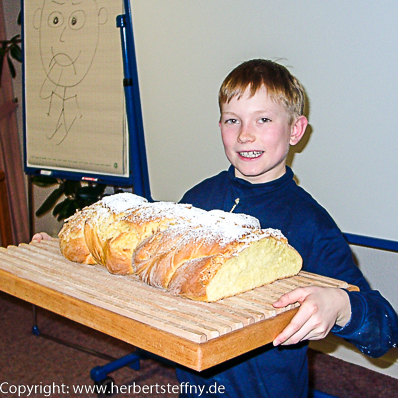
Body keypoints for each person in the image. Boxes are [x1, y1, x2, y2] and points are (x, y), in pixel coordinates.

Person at [173, 59, 398, 398]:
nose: (245, 134)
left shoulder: (308, 223)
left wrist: (340, 306)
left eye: (263, 119)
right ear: (220, 124)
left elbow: (385, 331)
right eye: (233, 120)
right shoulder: (196, 200)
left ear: (295, 130)